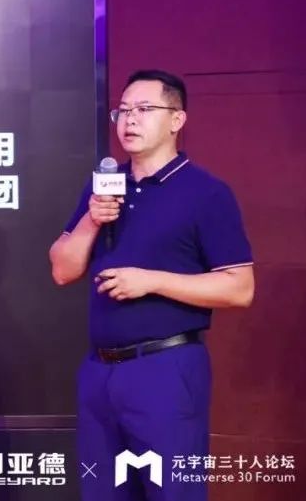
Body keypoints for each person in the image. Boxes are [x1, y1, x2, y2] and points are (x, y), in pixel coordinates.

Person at [49, 70, 254, 501]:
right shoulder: (103, 187)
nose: (130, 119)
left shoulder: (206, 193)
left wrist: (152, 281)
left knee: (172, 493)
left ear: (177, 119)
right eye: (123, 110)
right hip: (99, 372)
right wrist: (92, 219)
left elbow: (239, 288)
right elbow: (62, 270)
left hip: (165, 369)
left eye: (144, 109)